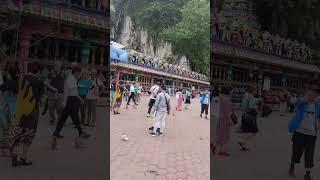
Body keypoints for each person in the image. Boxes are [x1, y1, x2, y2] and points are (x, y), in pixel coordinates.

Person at [10, 62, 57, 166]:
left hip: (21, 108)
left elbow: (14, 91)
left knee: (20, 130)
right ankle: (24, 157)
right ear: (38, 71)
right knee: (30, 132)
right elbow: (42, 97)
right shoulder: (38, 81)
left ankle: (15, 153)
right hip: (33, 109)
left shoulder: (21, 79)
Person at [288, 83, 320, 180]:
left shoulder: (318, 106)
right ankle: (292, 166)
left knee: (309, 154)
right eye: (312, 93)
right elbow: (296, 104)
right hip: (299, 132)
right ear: (308, 93)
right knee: (296, 151)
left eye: (316, 94)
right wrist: (305, 99)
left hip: (311, 134)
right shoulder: (302, 103)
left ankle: (307, 173)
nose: (314, 95)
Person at [52, 63, 90, 139]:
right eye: (80, 73)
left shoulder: (73, 79)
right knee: (74, 117)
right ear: (76, 72)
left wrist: (80, 99)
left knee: (65, 117)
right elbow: (66, 91)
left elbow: (74, 92)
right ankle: (80, 132)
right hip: (70, 100)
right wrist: (64, 102)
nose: (80, 75)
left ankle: (56, 132)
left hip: (73, 99)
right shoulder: (70, 79)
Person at [212, 86, 235, 156]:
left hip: (219, 118)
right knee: (225, 135)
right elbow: (227, 112)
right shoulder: (227, 100)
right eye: (231, 91)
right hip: (225, 119)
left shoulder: (219, 98)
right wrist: (230, 120)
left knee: (220, 133)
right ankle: (221, 150)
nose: (232, 93)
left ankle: (215, 145)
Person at [238, 86, 258, 151]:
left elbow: (242, 105)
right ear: (252, 91)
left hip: (244, 114)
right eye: (255, 90)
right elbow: (251, 106)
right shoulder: (251, 97)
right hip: (250, 115)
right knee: (253, 131)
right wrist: (256, 108)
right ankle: (242, 140)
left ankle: (244, 146)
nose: (255, 92)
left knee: (246, 130)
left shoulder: (245, 96)